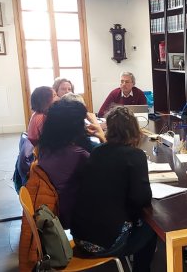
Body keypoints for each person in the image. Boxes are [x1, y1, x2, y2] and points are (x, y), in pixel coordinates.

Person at [71, 106, 157, 272]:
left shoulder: (97, 152)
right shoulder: (135, 155)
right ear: (134, 129)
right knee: (151, 228)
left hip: (80, 236)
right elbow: (142, 199)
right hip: (104, 243)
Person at [37, 100, 106, 229]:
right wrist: (103, 137)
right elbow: (110, 170)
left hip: (57, 209)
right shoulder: (79, 155)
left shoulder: (44, 148)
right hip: (76, 217)